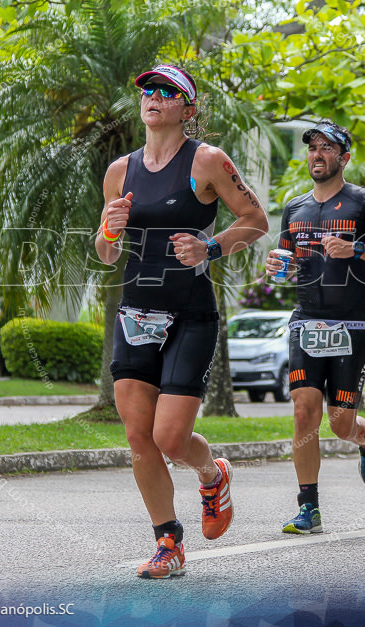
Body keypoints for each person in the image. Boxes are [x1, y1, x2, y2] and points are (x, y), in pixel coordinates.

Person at [95, 64, 268, 579]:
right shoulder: (119, 171)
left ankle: (212, 474)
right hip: (135, 314)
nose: (154, 97)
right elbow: (105, 253)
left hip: (190, 314)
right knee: (138, 438)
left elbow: (255, 220)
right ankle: (168, 544)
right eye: (148, 89)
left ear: (186, 109)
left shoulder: (207, 161)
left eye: (167, 92)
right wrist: (108, 229)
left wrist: (209, 246)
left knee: (171, 438)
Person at [265, 120, 365, 535]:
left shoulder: (364, 203)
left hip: (352, 326)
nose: (317, 154)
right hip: (306, 323)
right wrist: (278, 265)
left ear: (344, 158)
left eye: (328, 148)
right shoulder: (294, 208)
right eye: (313, 148)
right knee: (303, 414)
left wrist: (357, 248)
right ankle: (308, 508)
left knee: (340, 422)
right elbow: (286, 261)